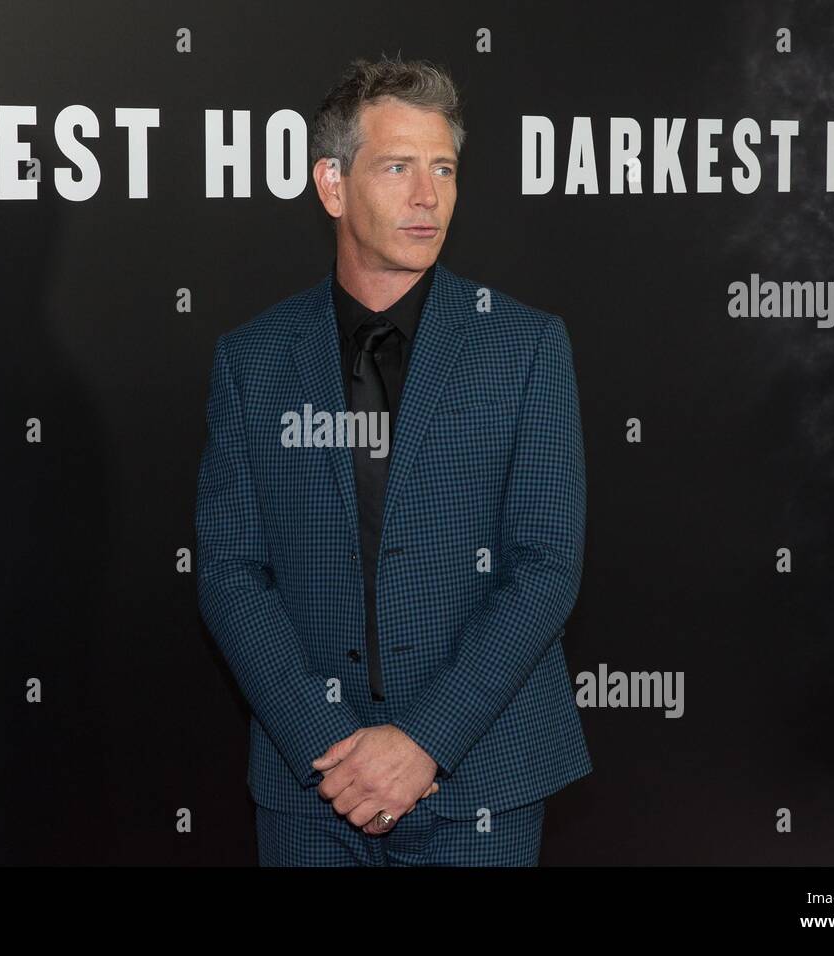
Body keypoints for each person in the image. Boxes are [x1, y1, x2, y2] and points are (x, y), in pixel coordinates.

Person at [195, 53, 591, 866]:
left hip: (483, 781)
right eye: (398, 167)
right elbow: (231, 572)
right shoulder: (254, 360)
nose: (427, 196)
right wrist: (329, 749)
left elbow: (546, 567)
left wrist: (424, 741)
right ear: (333, 186)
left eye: (443, 169)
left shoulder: (524, 346)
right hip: (313, 790)